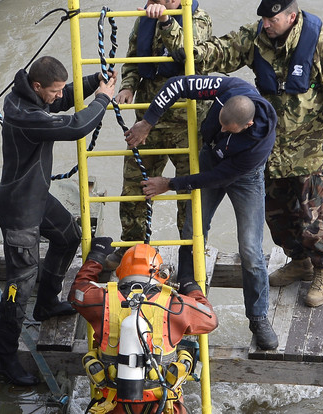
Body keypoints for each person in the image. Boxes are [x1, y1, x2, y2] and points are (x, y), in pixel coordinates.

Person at [160, 0, 323, 306]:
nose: (266, 24)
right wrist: (192, 54)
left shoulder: (321, 42)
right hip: (269, 147)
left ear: (292, 17)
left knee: (313, 216)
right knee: (278, 215)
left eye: (273, 19)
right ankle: (299, 261)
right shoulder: (256, 37)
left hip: (310, 148)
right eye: (264, 19)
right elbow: (224, 50)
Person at [126, 74, 279, 350]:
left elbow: (214, 179)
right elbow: (176, 85)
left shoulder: (258, 143)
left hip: (242, 176)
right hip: (211, 161)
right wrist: (148, 121)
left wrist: (169, 184)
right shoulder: (227, 87)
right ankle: (188, 284)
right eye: (219, 122)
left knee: (250, 250)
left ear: (247, 125)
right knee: (193, 231)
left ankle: (258, 318)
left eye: (228, 130)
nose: (221, 130)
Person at [0, 56, 117, 386]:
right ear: (37, 87)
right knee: (19, 287)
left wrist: (93, 81)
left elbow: (64, 97)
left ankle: (46, 304)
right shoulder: (25, 115)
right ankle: (4, 356)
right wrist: (103, 98)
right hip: (19, 210)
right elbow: (75, 126)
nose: (59, 96)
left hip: (37, 196)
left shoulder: (30, 96)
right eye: (55, 91)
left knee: (68, 236)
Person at [105, 0, 213, 269]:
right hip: (147, 121)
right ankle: (132, 248)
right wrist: (128, 86)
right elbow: (132, 60)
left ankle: (191, 251)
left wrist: (166, 21)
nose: (156, 1)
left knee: (189, 191)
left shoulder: (197, 18)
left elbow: (188, 55)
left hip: (186, 123)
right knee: (134, 185)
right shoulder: (143, 18)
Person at [69, 237, 218, 414]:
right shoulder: (175, 305)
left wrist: (96, 257)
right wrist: (191, 287)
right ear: (161, 274)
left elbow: (78, 291)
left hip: (113, 404)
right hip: (163, 405)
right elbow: (210, 319)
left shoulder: (103, 301)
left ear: (120, 272)